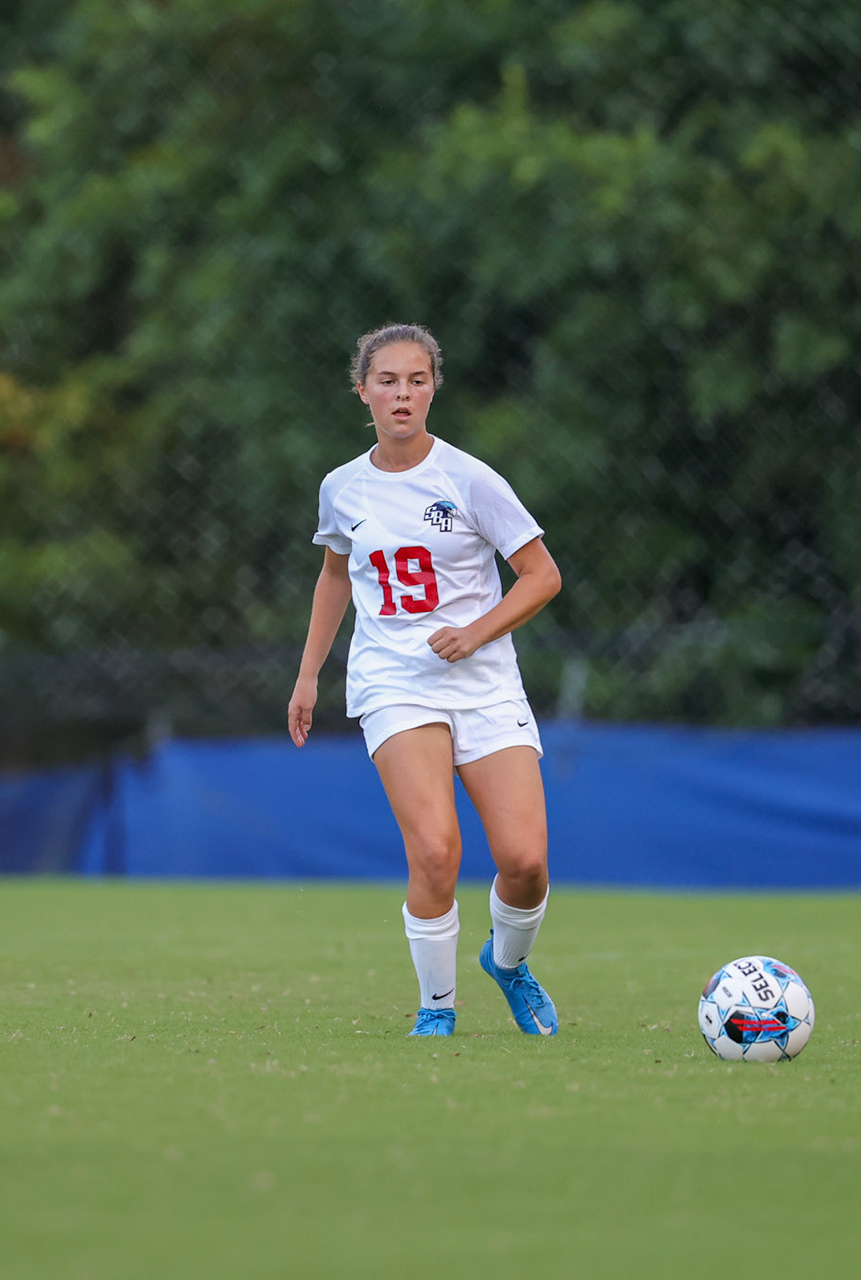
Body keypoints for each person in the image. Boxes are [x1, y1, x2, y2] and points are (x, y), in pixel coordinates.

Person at [287, 323, 562, 1038]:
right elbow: (335, 574)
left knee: (525, 862)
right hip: (393, 680)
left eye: (416, 379)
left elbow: (543, 576)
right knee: (436, 850)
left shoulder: (470, 478)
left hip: (483, 679)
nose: (402, 393)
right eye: (387, 381)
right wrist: (309, 674)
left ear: (434, 387)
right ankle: (436, 1010)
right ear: (363, 392)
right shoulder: (341, 487)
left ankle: (507, 963)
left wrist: (477, 631)